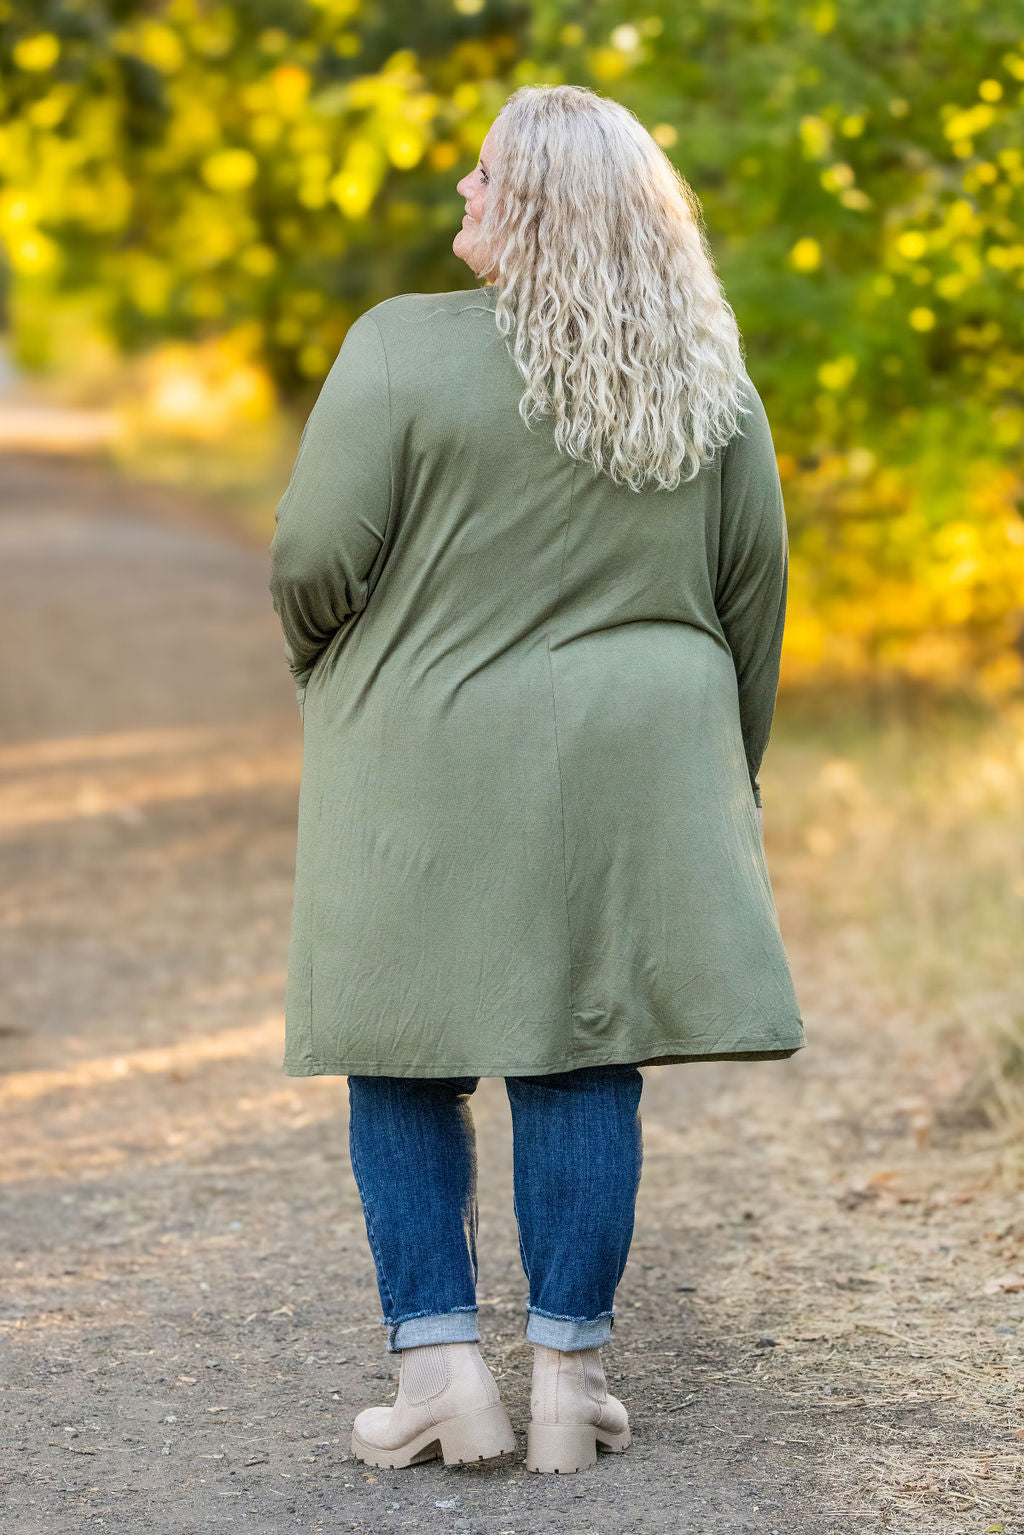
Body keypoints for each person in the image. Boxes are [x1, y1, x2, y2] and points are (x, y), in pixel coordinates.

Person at [268, 82, 805, 1476]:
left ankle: (442, 1376)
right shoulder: (706, 374)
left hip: (427, 747)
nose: (463, 190)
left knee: (401, 1047)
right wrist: (719, 776)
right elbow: (754, 601)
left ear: (546, 203)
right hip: (640, 766)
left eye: (489, 175)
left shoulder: (397, 350)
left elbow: (312, 559)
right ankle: (571, 1381)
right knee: (584, 1048)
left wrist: (333, 666)